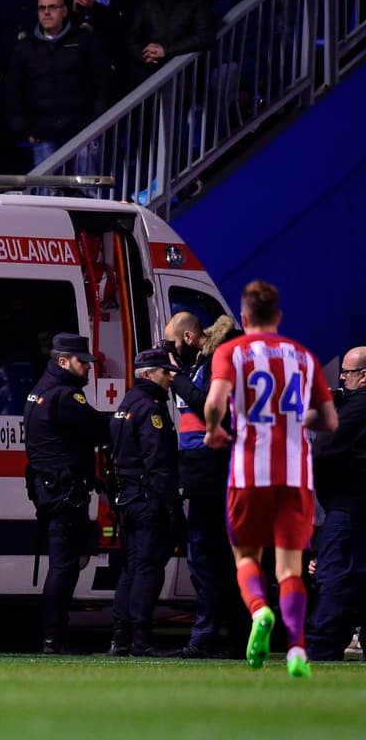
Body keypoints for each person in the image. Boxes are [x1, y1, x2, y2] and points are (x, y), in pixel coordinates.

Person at [203, 280, 338, 678]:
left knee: (246, 558)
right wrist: (297, 418)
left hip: (249, 473)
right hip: (296, 476)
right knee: (291, 569)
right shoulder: (303, 356)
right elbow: (330, 420)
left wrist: (213, 429)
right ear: (278, 316)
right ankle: (296, 648)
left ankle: (260, 610)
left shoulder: (231, 351)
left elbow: (214, 402)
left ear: (244, 318)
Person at [164, 311, 248, 658]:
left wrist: (178, 379)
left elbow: (211, 407)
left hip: (215, 471)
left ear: (187, 337)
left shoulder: (219, 360)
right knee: (213, 558)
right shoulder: (203, 362)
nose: (169, 350)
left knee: (210, 558)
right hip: (203, 472)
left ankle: (213, 635)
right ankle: (226, 635)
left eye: (172, 343)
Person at [23, 333, 111, 654]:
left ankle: (53, 635)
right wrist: (124, 418)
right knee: (64, 565)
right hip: (64, 492)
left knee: (62, 563)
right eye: (82, 362)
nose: (87, 368)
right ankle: (54, 637)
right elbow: (100, 429)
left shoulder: (40, 390)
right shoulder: (65, 396)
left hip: (49, 490)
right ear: (63, 362)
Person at [107, 349, 180, 657]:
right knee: (148, 568)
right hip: (149, 499)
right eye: (165, 372)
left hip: (129, 497)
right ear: (149, 374)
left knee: (132, 567)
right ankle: (140, 639)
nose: (170, 377)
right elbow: (159, 460)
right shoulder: (151, 409)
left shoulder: (126, 403)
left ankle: (120, 637)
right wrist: (172, 505)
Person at [4, 0, 112, 172]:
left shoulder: (85, 41)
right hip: (42, 135)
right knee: (46, 190)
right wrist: (24, 129)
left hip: (83, 132)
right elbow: (13, 91)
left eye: (52, 7)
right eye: (42, 8)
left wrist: (96, 122)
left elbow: (103, 84)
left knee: (86, 188)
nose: (46, 12)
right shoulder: (25, 48)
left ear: (64, 11)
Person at [307, 345, 366, 661]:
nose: (342, 378)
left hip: (348, 508)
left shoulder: (358, 407)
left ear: (363, 375)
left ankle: (322, 649)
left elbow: (325, 448)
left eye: (347, 372)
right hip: (355, 509)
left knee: (334, 579)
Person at [125, 0, 216, 85]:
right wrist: (144, 54)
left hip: (182, 78)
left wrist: (166, 50)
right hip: (145, 75)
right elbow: (131, 37)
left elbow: (204, 36)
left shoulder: (199, 2)